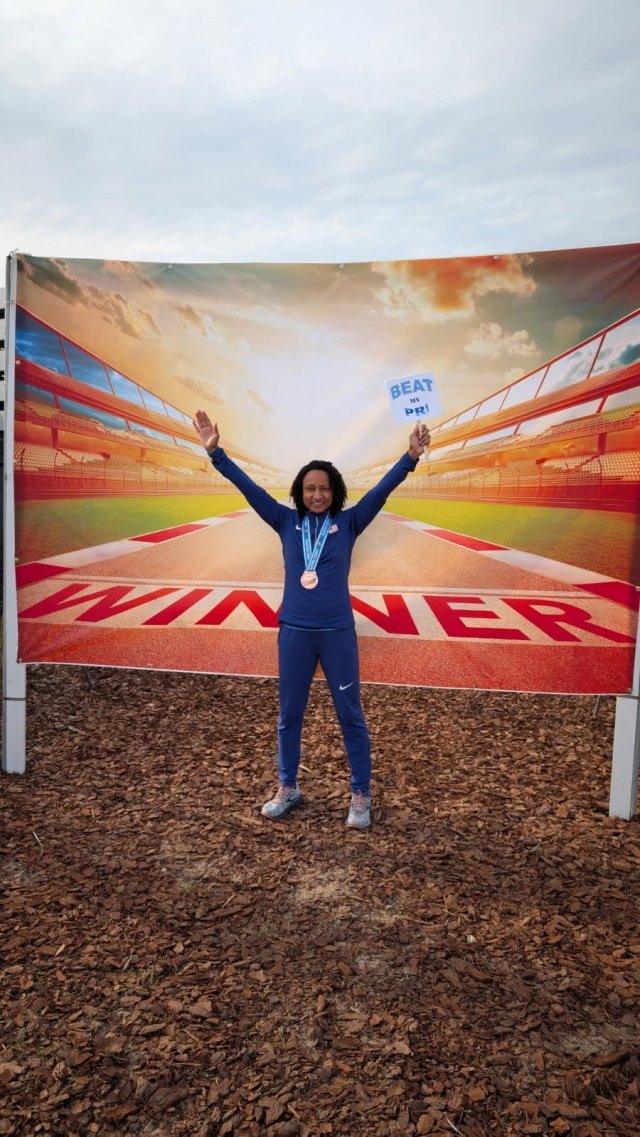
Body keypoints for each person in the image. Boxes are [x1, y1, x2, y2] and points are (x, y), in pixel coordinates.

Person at [193, 409, 430, 829]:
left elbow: (382, 491)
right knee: (289, 715)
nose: (317, 495)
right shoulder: (285, 520)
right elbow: (249, 489)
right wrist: (216, 454)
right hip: (295, 632)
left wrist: (409, 457)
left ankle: (361, 793)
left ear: (334, 492)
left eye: (323, 488)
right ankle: (288, 787)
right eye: (309, 488)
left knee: (350, 715)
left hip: (336, 632)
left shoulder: (349, 521)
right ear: (299, 492)